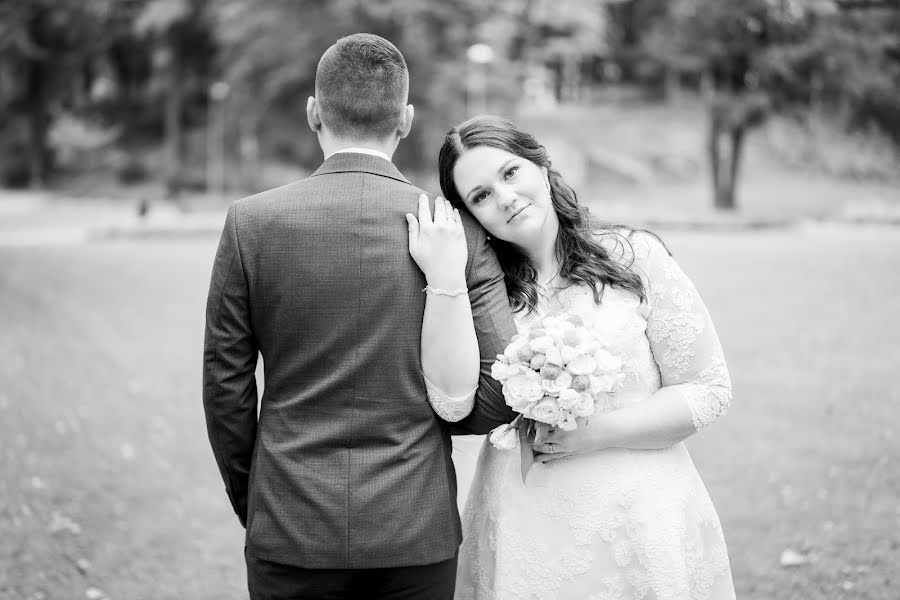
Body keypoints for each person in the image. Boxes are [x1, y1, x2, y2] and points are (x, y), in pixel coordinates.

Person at [202, 36, 516, 600]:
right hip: (414, 529)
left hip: (289, 523)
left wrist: (261, 498)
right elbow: (495, 396)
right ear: (406, 119)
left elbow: (225, 387)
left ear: (313, 112)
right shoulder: (456, 230)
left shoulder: (251, 224)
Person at [409, 115, 736, 599]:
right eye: (480, 196)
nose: (504, 197)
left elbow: (709, 390)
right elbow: (454, 403)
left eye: (510, 173)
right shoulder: (484, 294)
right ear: (470, 215)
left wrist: (593, 435)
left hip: (640, 511)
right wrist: (447, 279)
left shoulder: (634, 257)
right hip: (526, 518)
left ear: (540, 164)